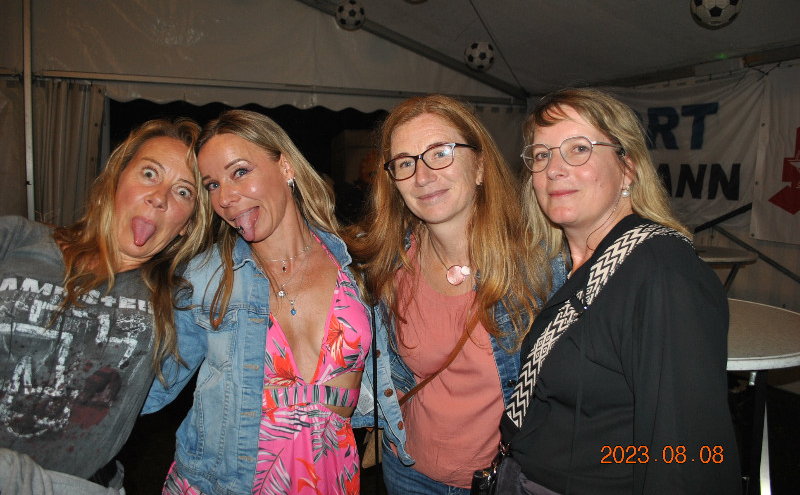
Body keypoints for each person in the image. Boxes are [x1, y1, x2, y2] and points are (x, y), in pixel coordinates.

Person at [499, 88, 741, 494]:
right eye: (541, 155)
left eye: (578, 149)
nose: (554, 169)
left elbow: (687, 455)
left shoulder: (662, 271)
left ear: (627, 168)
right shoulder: (563, 265)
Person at [143, 109, 372, 495]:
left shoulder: (356, 264)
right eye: (212, 185)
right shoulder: (206, 278)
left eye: (240, 172)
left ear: (285, 166)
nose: (226, 198)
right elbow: (150, 385)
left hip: (330, 478)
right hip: (223, 483)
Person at [348, 94, 566, 494]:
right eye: (405, 163)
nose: (422, 176)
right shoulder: (387, 263)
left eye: (440, 153)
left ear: (479, 166)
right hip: (407, 472)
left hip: (504, 480)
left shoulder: (540, 264)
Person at [0, 118, 208, 494]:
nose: (160, 197)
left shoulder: (179, 300)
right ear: (115, 180)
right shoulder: (16, 240)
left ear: (186, 225)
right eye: (149, 173)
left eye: (183, 192)